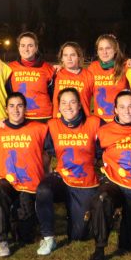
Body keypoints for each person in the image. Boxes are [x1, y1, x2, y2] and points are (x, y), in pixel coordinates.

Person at [87, 90, 131, 260]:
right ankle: (99, 249)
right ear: (115, 110)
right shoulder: (104, 131)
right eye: (122, 107)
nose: (126, 111)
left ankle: (121, 221)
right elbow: (93, 156)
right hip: (114, 183)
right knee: (102, 199)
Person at [0, 93, 53, 256]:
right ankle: (2, 241)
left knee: (25, 237)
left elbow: (54, 151)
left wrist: (47, 168)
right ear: (6, 109)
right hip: (6, 181)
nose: (16, 110)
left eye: (20, 106)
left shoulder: (39, 129)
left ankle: (19, 225)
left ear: (25, 108)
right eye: (11, 106)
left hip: (29, 184)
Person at [44, 87, 102, 244]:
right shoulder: (52, 125)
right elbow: (45, 149)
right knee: (43, 190)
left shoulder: (94, 122)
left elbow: (110, 141)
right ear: (59, 106)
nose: (68, 107)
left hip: (85, 182)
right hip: (62, 178)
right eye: (63, 103)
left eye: (72, 102)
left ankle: (81, 211)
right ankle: (48, 236)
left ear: (79, 105)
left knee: (79, 235)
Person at [7, 32, 55, 121]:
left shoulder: (48, 68)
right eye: (23, 45)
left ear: (36, 48)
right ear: (18, 48)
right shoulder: (9, 68)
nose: (26, 49)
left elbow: (54, 95)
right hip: (19, 117)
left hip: (43, 117)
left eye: (30, 46)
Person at [88, 34, 128, 120]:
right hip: (99, 120)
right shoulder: (93, 67)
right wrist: (61, 67)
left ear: (115, 50)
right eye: (101, 49)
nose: (104, 52)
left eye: (108, 48)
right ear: (97, 51)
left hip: (121, 120)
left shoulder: (126, 66)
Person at [52, 41, 94, 118]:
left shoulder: (89, 75)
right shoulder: (55, 74)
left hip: (82, 122)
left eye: (73, 55)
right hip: (59, 122)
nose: (69, 58)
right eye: (65, 55)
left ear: (79, 57)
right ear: (61, 58)